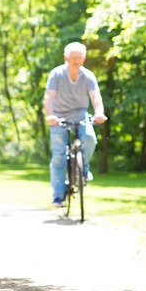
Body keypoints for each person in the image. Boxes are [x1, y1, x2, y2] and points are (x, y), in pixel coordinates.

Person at [44, 42, 108, 208]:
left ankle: (83, 169)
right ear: (66, 58)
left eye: (80, 57)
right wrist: (50, 115)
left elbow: (96, 97)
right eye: (73, 57)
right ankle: (58, 197)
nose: (76, 60)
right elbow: (48, 98)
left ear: (84, 59)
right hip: (58, 117)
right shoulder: (57, 74)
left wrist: (99, 113)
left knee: (89, 138)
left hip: (80, 115)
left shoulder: (88, 76)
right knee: (59, 156)